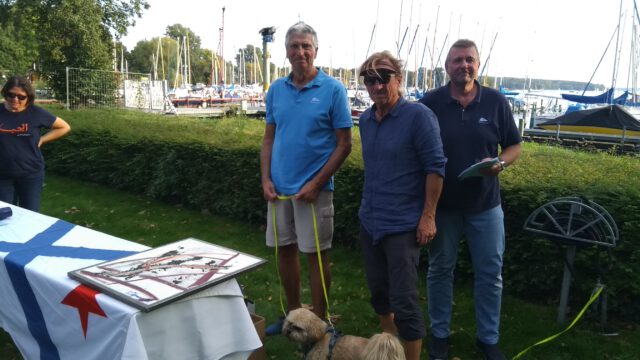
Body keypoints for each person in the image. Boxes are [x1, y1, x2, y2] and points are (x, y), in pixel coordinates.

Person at [419, 39, 522, 360]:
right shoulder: (429, 103)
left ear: (478, 65)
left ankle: (488, 339)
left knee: (491, 274)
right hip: (443, 206)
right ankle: (439, 335)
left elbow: (514, 145)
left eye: (469, 60)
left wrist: (501, 163)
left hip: (486, 205)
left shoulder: (495, 102)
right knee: (440, 270)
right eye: (457, 60)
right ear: (447, 67)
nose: (463, 65)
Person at [260, 21, 353, 335]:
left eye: (305, 46)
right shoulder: (276, 90)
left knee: (315, 256)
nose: (300, 52)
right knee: (284, 250)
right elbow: (268, 140)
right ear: (286, 51)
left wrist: (316, 183)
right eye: (294, 46)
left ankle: (320, 323)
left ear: (315, 51)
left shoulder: (333, 90)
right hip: (280, 191)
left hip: (315, 191)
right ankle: (291, 315)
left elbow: (345, 144)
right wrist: (266, 180)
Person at [358, 51, 446, 360]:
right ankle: (388, 349)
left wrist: (428, 216)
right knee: (379, 293)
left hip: (403, 226)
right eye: (370, 79)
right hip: (370, 221)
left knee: (405, 300)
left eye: (384, 77)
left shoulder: (418, 117)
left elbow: (435, 168)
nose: (377, 85)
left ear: (399, 79)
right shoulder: (366, 120)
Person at [0, 76, 71, 212]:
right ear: (5, 93)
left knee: (30, 216)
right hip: (2, 175)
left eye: (21, 97)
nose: (15, 100)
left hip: (30, 173)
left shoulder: (36, 113)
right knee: (4, 217)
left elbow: (64, 127)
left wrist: (43, 139)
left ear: (28, 97)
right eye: (11, 95)